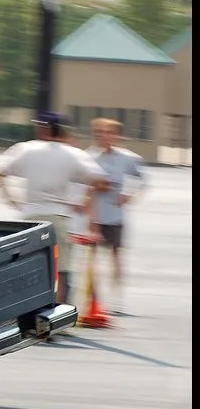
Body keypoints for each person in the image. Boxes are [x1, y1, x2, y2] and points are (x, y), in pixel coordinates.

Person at [0, 112, 108, 306]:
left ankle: (24, 310)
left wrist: (11, 199)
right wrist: (84, 199)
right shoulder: (73, 154)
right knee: (61, 268)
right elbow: (101, 181)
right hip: (57, 216)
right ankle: (58, 315)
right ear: (63, 131)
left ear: (41, 129)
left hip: (29, 215)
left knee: (26, 265)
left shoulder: (25, 149)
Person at [85, 117, 147, 314]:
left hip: (114, 214)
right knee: (91, 258)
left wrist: (129, 196)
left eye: (109, 132)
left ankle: (116, 298)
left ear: (118, 135)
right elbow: (79, 181)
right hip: (92, 215)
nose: (104, 136)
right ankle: (92, 298)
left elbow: (142, 179)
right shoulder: (88, 156)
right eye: (101, 132)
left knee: (115, 256)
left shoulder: (128, 158)